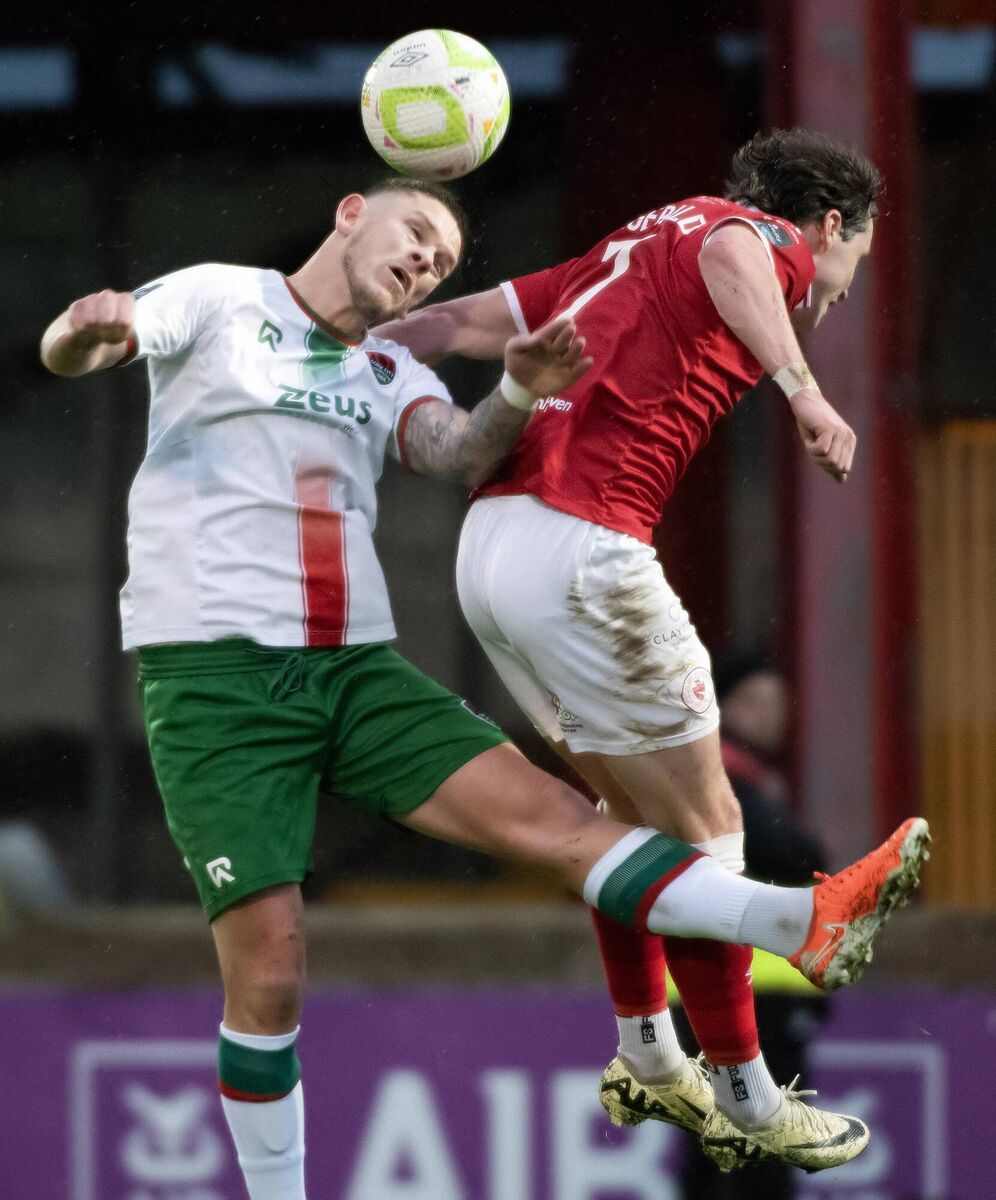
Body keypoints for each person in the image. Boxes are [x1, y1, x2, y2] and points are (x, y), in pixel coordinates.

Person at [40, 174, 926, 1200]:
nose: (425, 260)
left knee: (564, 823)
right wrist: (84, 327)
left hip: (358, 671)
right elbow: (89, 346)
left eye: (442, 259)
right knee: (271, 974)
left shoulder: (383, 366)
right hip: (215, 680)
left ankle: (795, 926)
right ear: (348, 212)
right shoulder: (220, 295)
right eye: (415, 232)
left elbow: (455, 453)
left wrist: (514, 389)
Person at [375, 128, 921, 1174]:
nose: (837, 285)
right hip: (587, 550)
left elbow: (465, 320)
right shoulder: (745, 236)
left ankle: (647, 1052)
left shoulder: (634, 240)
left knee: (628, 828)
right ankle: (752, 1096)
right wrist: (802, 388)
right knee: (711, 825)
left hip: (493, 550)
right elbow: (739, 256)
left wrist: (357, 330)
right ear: (833, 222)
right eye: (849, 259)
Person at [676, 652, 830, 1199]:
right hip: (745, 990)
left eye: (779, 702)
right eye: (756, 702)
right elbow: (790, 854)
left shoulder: (746, 775)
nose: (772, 715)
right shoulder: (727, 775)